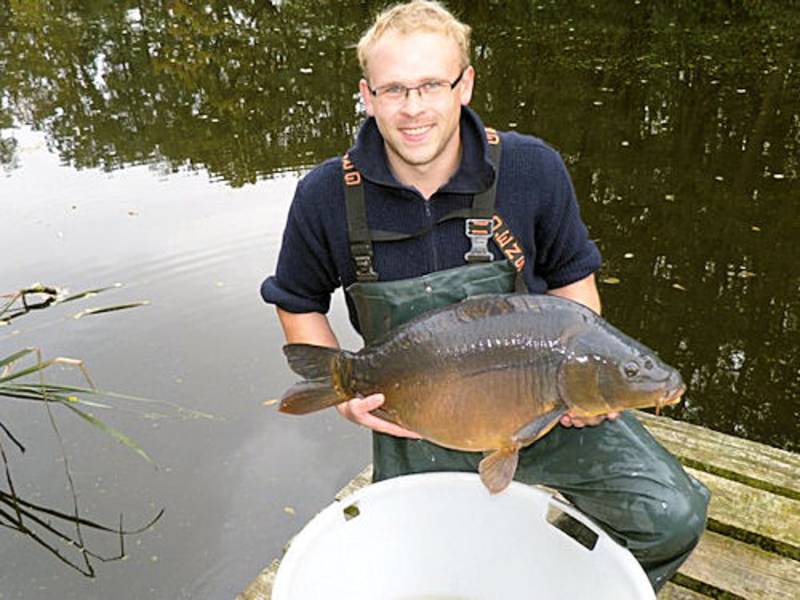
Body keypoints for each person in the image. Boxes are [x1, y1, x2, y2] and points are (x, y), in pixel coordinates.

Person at [261, 0, 709, 592]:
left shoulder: (532, 169)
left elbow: (577, 288)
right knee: (417, 570)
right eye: (394, 89)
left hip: (545, 408)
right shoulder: (324, 195)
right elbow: (296, 300)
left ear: (465, 85)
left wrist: (581, 389)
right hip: (421, 418)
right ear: (367, 96)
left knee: (672, 517)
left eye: (431, 85)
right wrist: (346, 395)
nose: (414, 108)